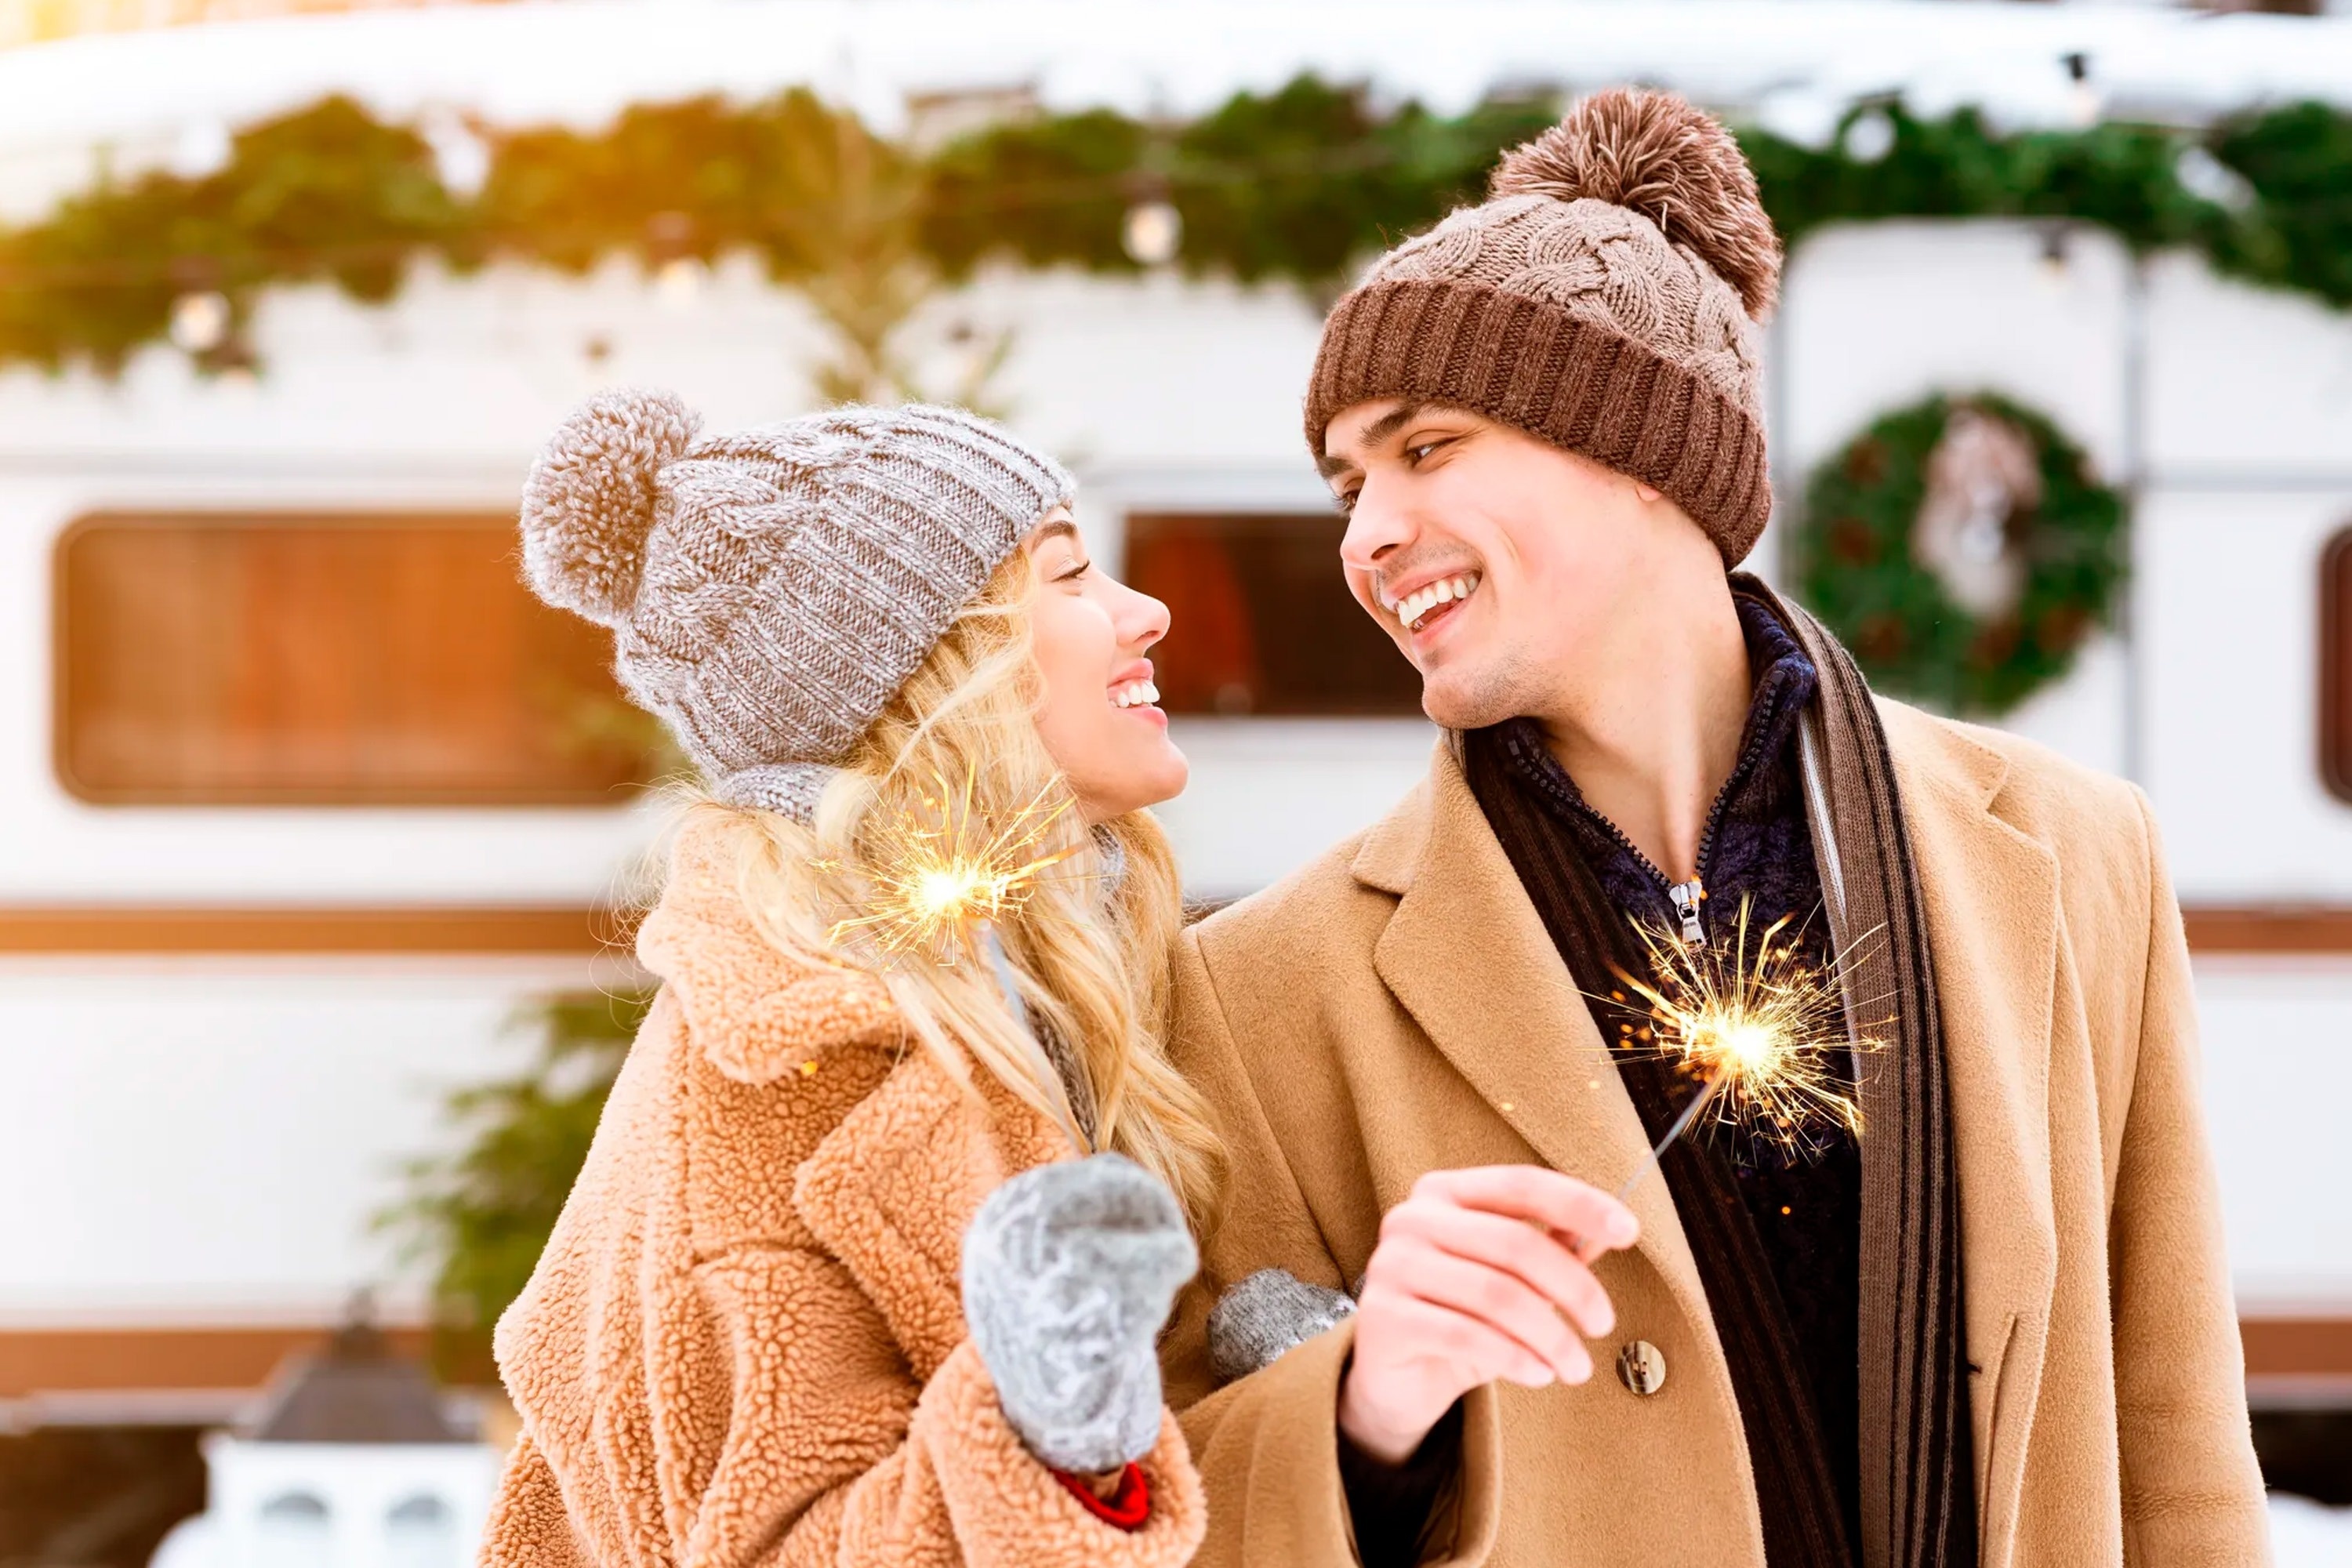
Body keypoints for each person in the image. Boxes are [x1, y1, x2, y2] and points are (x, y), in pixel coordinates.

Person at [1157, 89, 2269, 1566]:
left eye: (1425, 448)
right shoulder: (1259, 989)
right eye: (1351, 483)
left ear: (1640, 450)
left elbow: (2178, 1451)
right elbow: (1179, 1504)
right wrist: (1361, 1413)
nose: (1364, 535)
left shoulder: (2077, 857)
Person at [478, 393, 1222, 1566]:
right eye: (1070, 576)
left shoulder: (1043, 978)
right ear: (936, 673)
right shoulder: (785, 1075)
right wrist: (1051, 1431)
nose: (1147, 612)